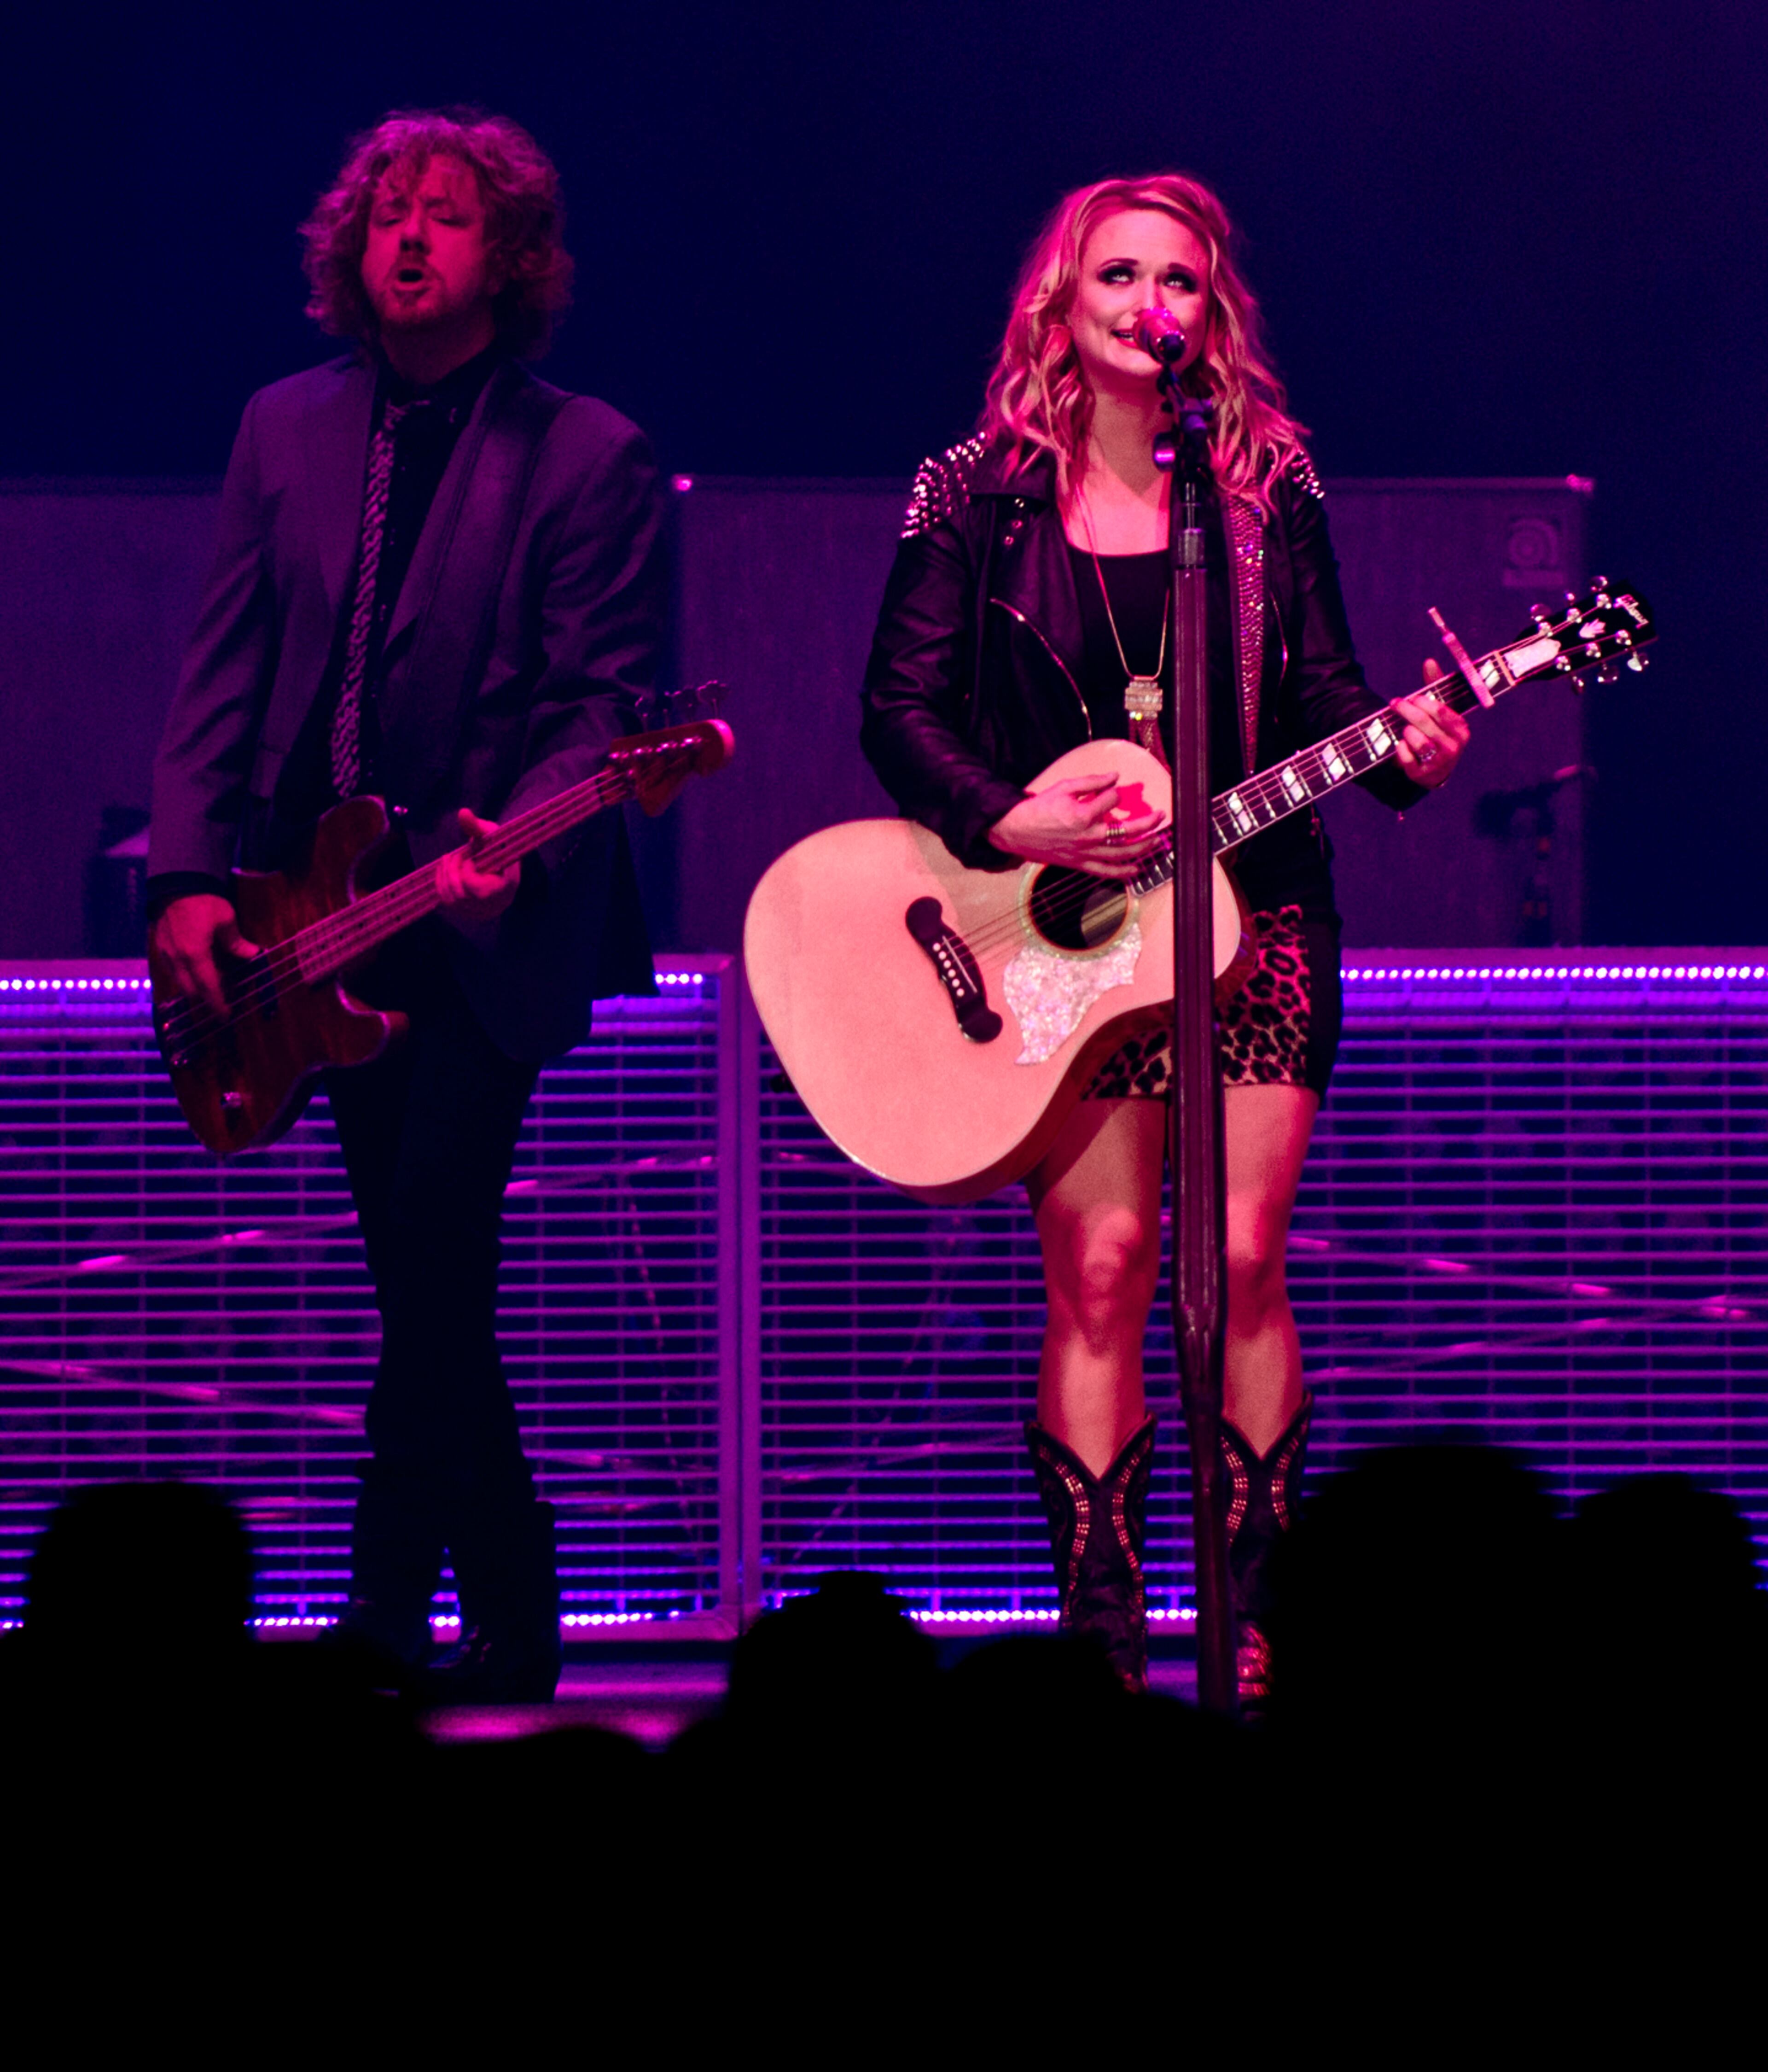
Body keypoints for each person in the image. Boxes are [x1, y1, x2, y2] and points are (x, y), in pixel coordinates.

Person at [860, 173, 1468, 1699]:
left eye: (1180, 281)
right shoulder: (976, 492)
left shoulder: (1264, 485)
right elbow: (898, 708)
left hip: (1258, 910)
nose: (1152, 306)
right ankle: (1104, 1638)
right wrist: (1017, 819)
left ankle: (1259, 1618)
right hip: (1065, 938)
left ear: (1214, 311)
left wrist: (1404, 747)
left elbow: (1326, 689)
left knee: (1243, 1255)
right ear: (1062, 303)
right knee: (1107, 1261)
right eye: (1120, 276)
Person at [147, 109, 665, 1701]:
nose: (411, 239)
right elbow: (225, 666)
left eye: (445, 215)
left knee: (434, 1242)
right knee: (421, 1276)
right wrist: (185, 876)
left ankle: (394, 1612)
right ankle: (502, 1612)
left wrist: (525, 838)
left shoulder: (585, 451)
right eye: (388, 215)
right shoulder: (283, 427)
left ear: (507, 255)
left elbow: (602, 700)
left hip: (481, 920)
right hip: (311, 912)